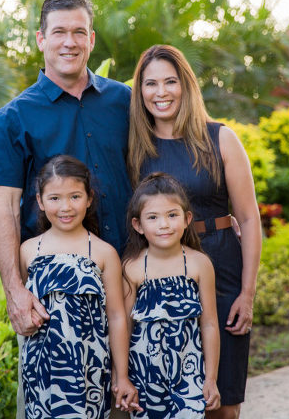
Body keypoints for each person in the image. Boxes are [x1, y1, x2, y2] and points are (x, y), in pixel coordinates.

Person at [0, 0, 132, 337]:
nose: (70, 42)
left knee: (131, 391)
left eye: (79, 32)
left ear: (91, 40)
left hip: (129, 276)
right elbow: (4, 209)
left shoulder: (123, 101)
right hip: (55, 292)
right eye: (59, 32)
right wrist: (15, 292)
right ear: (41, 39)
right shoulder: (14, 117)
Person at [128, 45, 262, 419]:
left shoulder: (220, 139)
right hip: (159, 281)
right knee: (166, 400)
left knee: (224, 401)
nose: (161, 92)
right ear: (139, 92)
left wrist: (247, 294)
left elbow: (249, 219)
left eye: (170, 81)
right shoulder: (134, 147)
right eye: (150, 83)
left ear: (186, 85)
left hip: (221, 269)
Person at [19, 155, 141, 417]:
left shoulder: (103, 252)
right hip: (42, 369)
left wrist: (122, 375)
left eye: (75, 196)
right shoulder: (28, 250)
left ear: (89, 198)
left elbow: (117, 316)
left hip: (90, 367)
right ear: (40, 201)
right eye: (54, 198)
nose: (66, 207)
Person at [122, 172, 221, 418]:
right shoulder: (132, 268)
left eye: (172, 215)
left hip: (189, 377)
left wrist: (210, 379)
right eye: (153, 217)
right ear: (138, 225)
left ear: (187, 219)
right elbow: (123, 326)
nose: (164, 224)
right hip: (144, 380)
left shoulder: (199, 264)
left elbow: (209, 324)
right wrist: (121, 377)